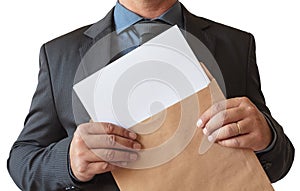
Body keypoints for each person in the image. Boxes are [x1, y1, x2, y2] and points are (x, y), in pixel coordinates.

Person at [7, 0, 294, 190]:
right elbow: (22, 160)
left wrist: (266, 138)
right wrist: (69, 160)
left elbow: (280, 161)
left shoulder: (235, 44)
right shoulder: (59, 54)